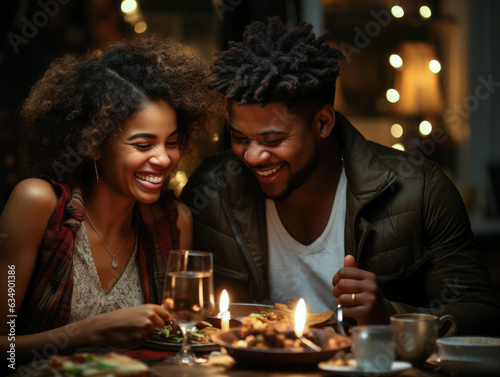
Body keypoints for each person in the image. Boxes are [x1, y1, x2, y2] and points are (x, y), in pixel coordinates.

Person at [181, 17, 500, 335]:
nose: (253, 156)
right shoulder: (212, 190)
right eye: (240, 138)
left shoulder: (421, 190)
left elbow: (481, 315)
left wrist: (386, 316)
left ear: (323, 122)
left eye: (272, 140)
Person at [0, 35, 218, 368]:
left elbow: (177, 344)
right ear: (94, 145)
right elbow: (5, 350)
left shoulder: (174, 223)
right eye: (143, 145)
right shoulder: (38, 204)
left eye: (171, 142)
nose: (164, 159)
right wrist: (90, 331)